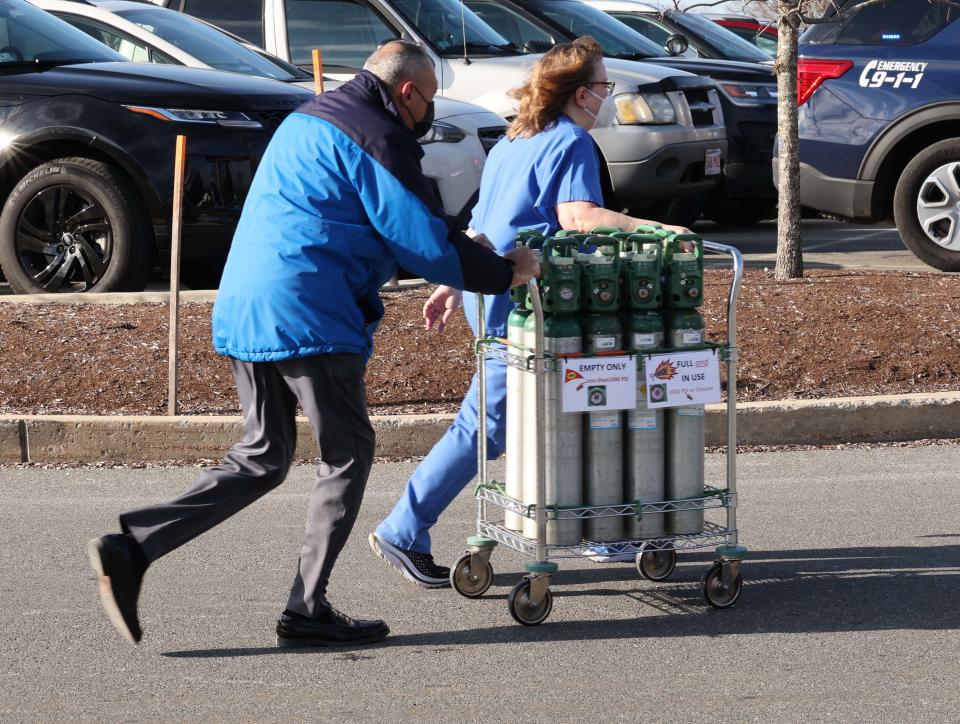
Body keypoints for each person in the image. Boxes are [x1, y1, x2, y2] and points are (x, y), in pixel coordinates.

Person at [86, 40, 540, 648]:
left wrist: (462, 252)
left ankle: (132, 546)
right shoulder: (376, 134)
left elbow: (369, 218)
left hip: (248, 304)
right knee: (347, 453)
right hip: (311, 313)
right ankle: (306, 610)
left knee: (263, 455)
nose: (430, 114)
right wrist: (503, 272)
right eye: (429, 99)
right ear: (406, 92)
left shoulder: (310, 116)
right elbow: (422, 240)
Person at [369, 36, 688, 587]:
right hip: (530, 303)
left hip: (494, 293)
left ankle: (596, 526)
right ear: (583, 94)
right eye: (605, 87)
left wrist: (454, 281)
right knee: (488, 426)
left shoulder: (518, 138)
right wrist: (660, 230)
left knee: (581, 404)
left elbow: (487, 221)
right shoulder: (570, 143)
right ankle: (404, 528)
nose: (608, 96)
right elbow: (579, 215)